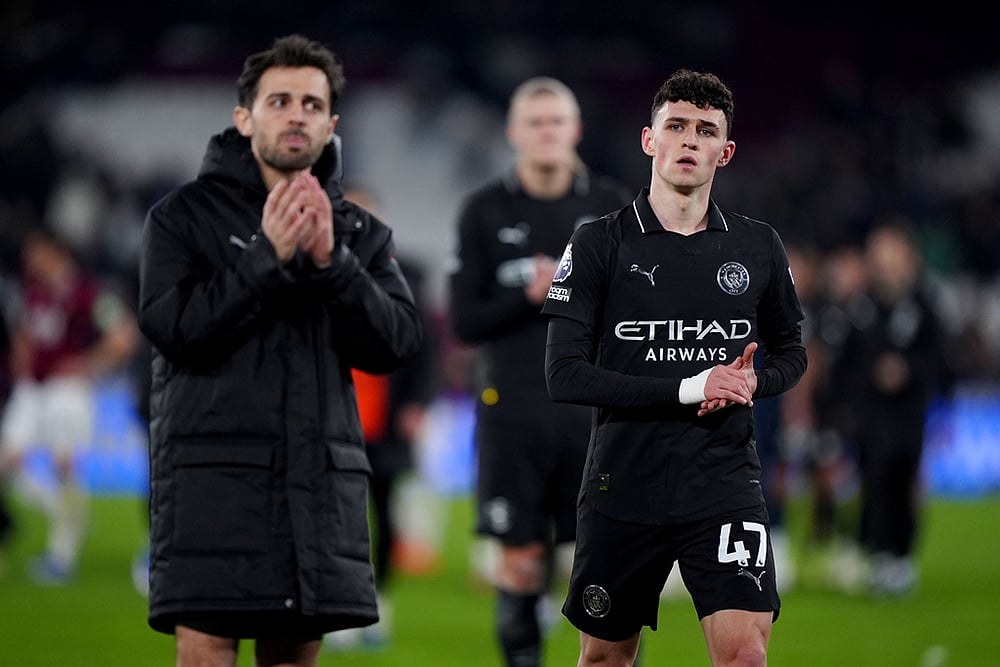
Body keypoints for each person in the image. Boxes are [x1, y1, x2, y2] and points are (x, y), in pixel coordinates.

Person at [137, 34, 423, 667]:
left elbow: (396, 343)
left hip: (316, 485)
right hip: (212, 485)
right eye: (280, 100)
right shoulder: (180, 219)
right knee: (206, 656)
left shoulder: (358, 233)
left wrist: (332, 264)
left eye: (312, 104)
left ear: (331, 124)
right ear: (244, 118)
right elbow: (178, 330)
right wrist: (268, 257)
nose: (297, 114)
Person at [542, 69, 807, 666]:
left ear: (726, 151)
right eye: (677, 126)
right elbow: (564, 375)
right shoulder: (597, 245)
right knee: (605, 658)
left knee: (746, 656)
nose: (690, 140)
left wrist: (751, 382)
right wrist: (692, 387)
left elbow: (793, 354)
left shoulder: (758, 246)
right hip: (622, 482)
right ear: (649, 140)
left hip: (723, 482)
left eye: (706, 130)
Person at [447, 76, 631, 666]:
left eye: (558, 121)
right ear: (514, 132)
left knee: (607, 564)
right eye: (536, 121)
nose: (547, 132)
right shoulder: (482, 210)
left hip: (596, 415)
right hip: (514, 413)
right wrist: (527, 296)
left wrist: (574, 293)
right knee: (522, 560)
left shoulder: (613, 207)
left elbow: (644, 312)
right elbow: (464, 320)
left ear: (575, 130)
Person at [0, 225, 138, 584]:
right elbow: (25, 332)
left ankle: (62, 553)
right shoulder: (33, 290)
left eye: (36, 251)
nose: (30, 259)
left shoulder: (86, 291)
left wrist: (88, 365)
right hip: (32, 389)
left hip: (68, 390)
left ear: (55, 251)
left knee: (65, 466)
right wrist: (22, 357)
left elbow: (123, 334)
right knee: (6, 459)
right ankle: (57, 515)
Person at [839, 221, 951, 597]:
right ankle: (880, 555)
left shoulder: (923, 304)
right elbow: (847, 362)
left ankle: (901, 556)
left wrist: (909, 371)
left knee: (904, 481)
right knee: (874, 481)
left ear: (906, 256)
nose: (884, 261)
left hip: (909, 413)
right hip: (871, 414)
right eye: (879, 252)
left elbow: (941, 358)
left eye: (890, 252)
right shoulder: (862, 306)